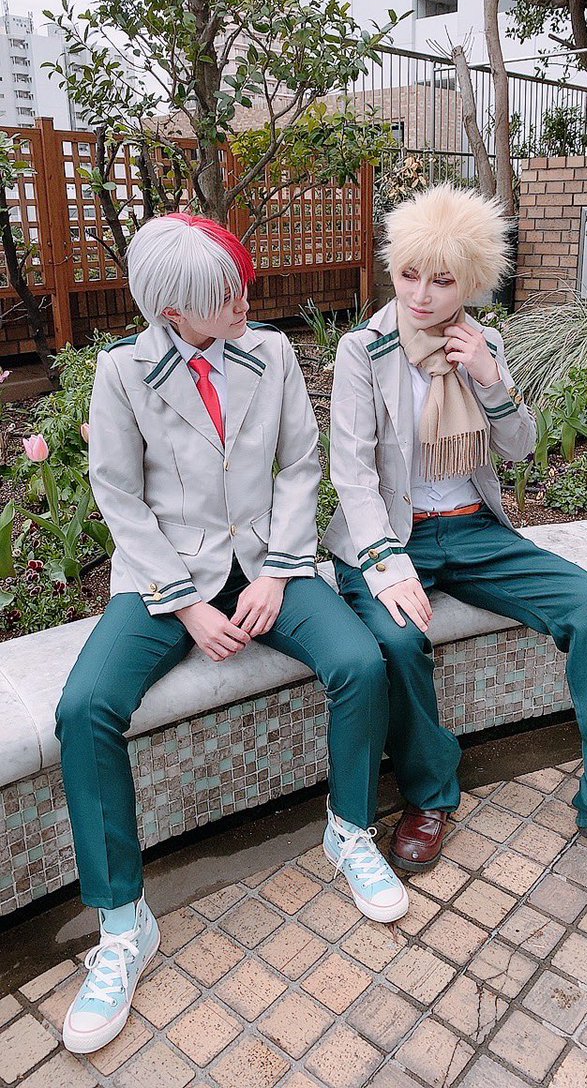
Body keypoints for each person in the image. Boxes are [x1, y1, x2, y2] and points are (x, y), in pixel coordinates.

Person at [56, 213, 409, 1056]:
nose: (245, 299)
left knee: (360, 662)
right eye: (226, 293)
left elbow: (300, 465)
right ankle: (122, 923)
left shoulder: (271, 352)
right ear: (173, 310)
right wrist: (186, 606)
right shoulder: (121, 371)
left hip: (264, 563)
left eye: (240, 282)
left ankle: (348, 831)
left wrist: (279, 574)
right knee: (83, 709)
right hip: (165, 578)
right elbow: (118, 497)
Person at [323, 183, 587, 877]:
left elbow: (517, 448)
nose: (421, 294)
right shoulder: (363, 350)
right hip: (392, 536)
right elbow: (352, 472)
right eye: (409, 275)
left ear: (471, 281)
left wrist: (489, 378)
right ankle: (428, 797)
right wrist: (385, 563)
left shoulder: (484, 342)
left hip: (474, 531)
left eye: (442, 280)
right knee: (397, 640)